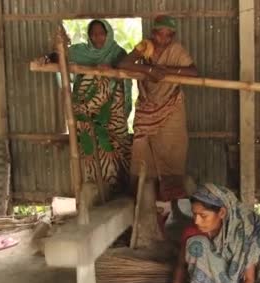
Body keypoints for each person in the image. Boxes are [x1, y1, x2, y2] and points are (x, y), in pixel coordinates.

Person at [42, 19, 132, 195]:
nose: (97, 37)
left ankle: (120, 191)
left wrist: (109, 71)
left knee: (114, 152)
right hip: (87, 111)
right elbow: (60, 56)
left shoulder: (118, 53)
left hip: (111, 111)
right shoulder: (80, 52)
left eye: (101, 33)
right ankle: (94, 192)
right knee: (89, 151)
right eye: (93, 34)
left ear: (108, 34)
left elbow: (125, 74)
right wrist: (47, 58)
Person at [117, 15, 197, 209]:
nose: (163, 40)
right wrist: (149, 70)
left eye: (168, 36)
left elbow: (194, 72)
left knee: (173, 148)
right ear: (153, 34)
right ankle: (144, 201)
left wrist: (167, 70)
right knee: (142, 150)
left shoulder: (176, 50)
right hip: (147, 107)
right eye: (160, 35)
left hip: (172, 107)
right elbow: (123, 65)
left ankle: (171, 203)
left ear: (172, 36)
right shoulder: (145, 47)